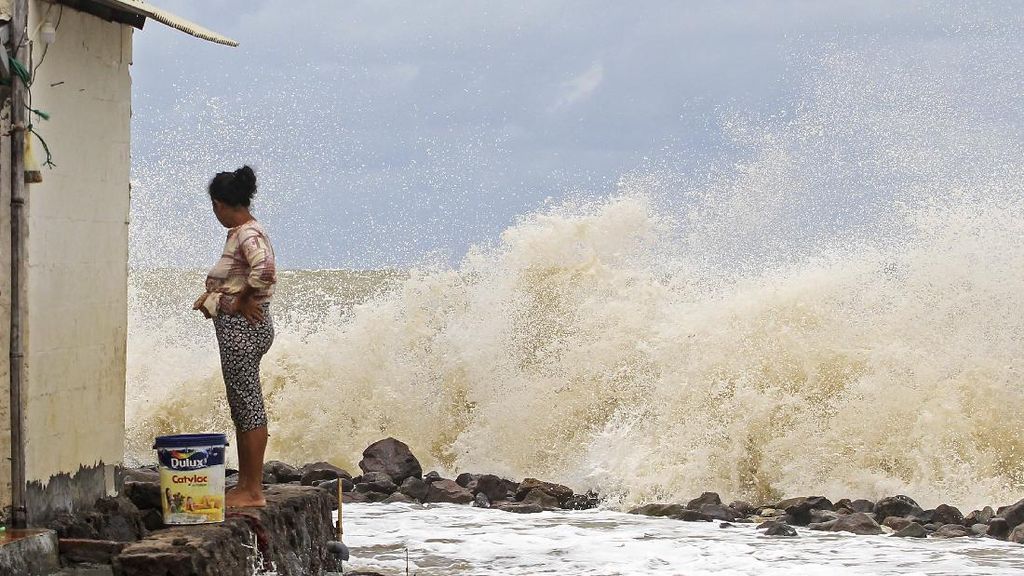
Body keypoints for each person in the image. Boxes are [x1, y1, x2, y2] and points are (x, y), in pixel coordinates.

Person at [192, 165, 277, 508]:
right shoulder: (245, 232)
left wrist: (242, 299)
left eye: (215, 207)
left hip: (243, 329)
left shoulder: (246, 233)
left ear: (220, 204)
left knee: (248, 404)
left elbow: (265, 269)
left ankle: (252, 490)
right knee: (244, 404)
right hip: (243, 328)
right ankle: (245, 484)